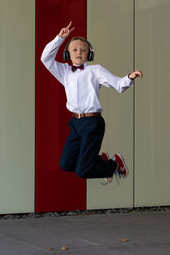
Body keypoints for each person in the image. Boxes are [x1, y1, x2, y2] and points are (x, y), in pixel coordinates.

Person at [41, 21, 143, 184]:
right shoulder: (65, 72)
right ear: (67, 53)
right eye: (74, 49)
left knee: (82, 171)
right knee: (66, 164)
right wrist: (60, 38)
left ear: (89, 54)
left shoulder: (95, 70)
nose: (79, 52)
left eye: (83, 50)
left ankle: (114, 164)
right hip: (76, 124)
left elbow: (118, 84)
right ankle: (100, 161)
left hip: (92, 123)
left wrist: (130, 77)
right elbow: (45, 58)